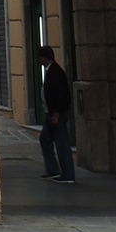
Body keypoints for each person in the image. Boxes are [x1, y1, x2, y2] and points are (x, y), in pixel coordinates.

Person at [39, 45, 76, 183]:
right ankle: (53, 170)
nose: (39, 60)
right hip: (51, 113)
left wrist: (56, 113)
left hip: (56, 114)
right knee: (45, 139)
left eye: (40, 57)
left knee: (62, 143)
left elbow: (62, 95)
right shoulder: (51, 71)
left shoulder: (56, 72)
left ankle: (68, 174)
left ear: (44, 57)